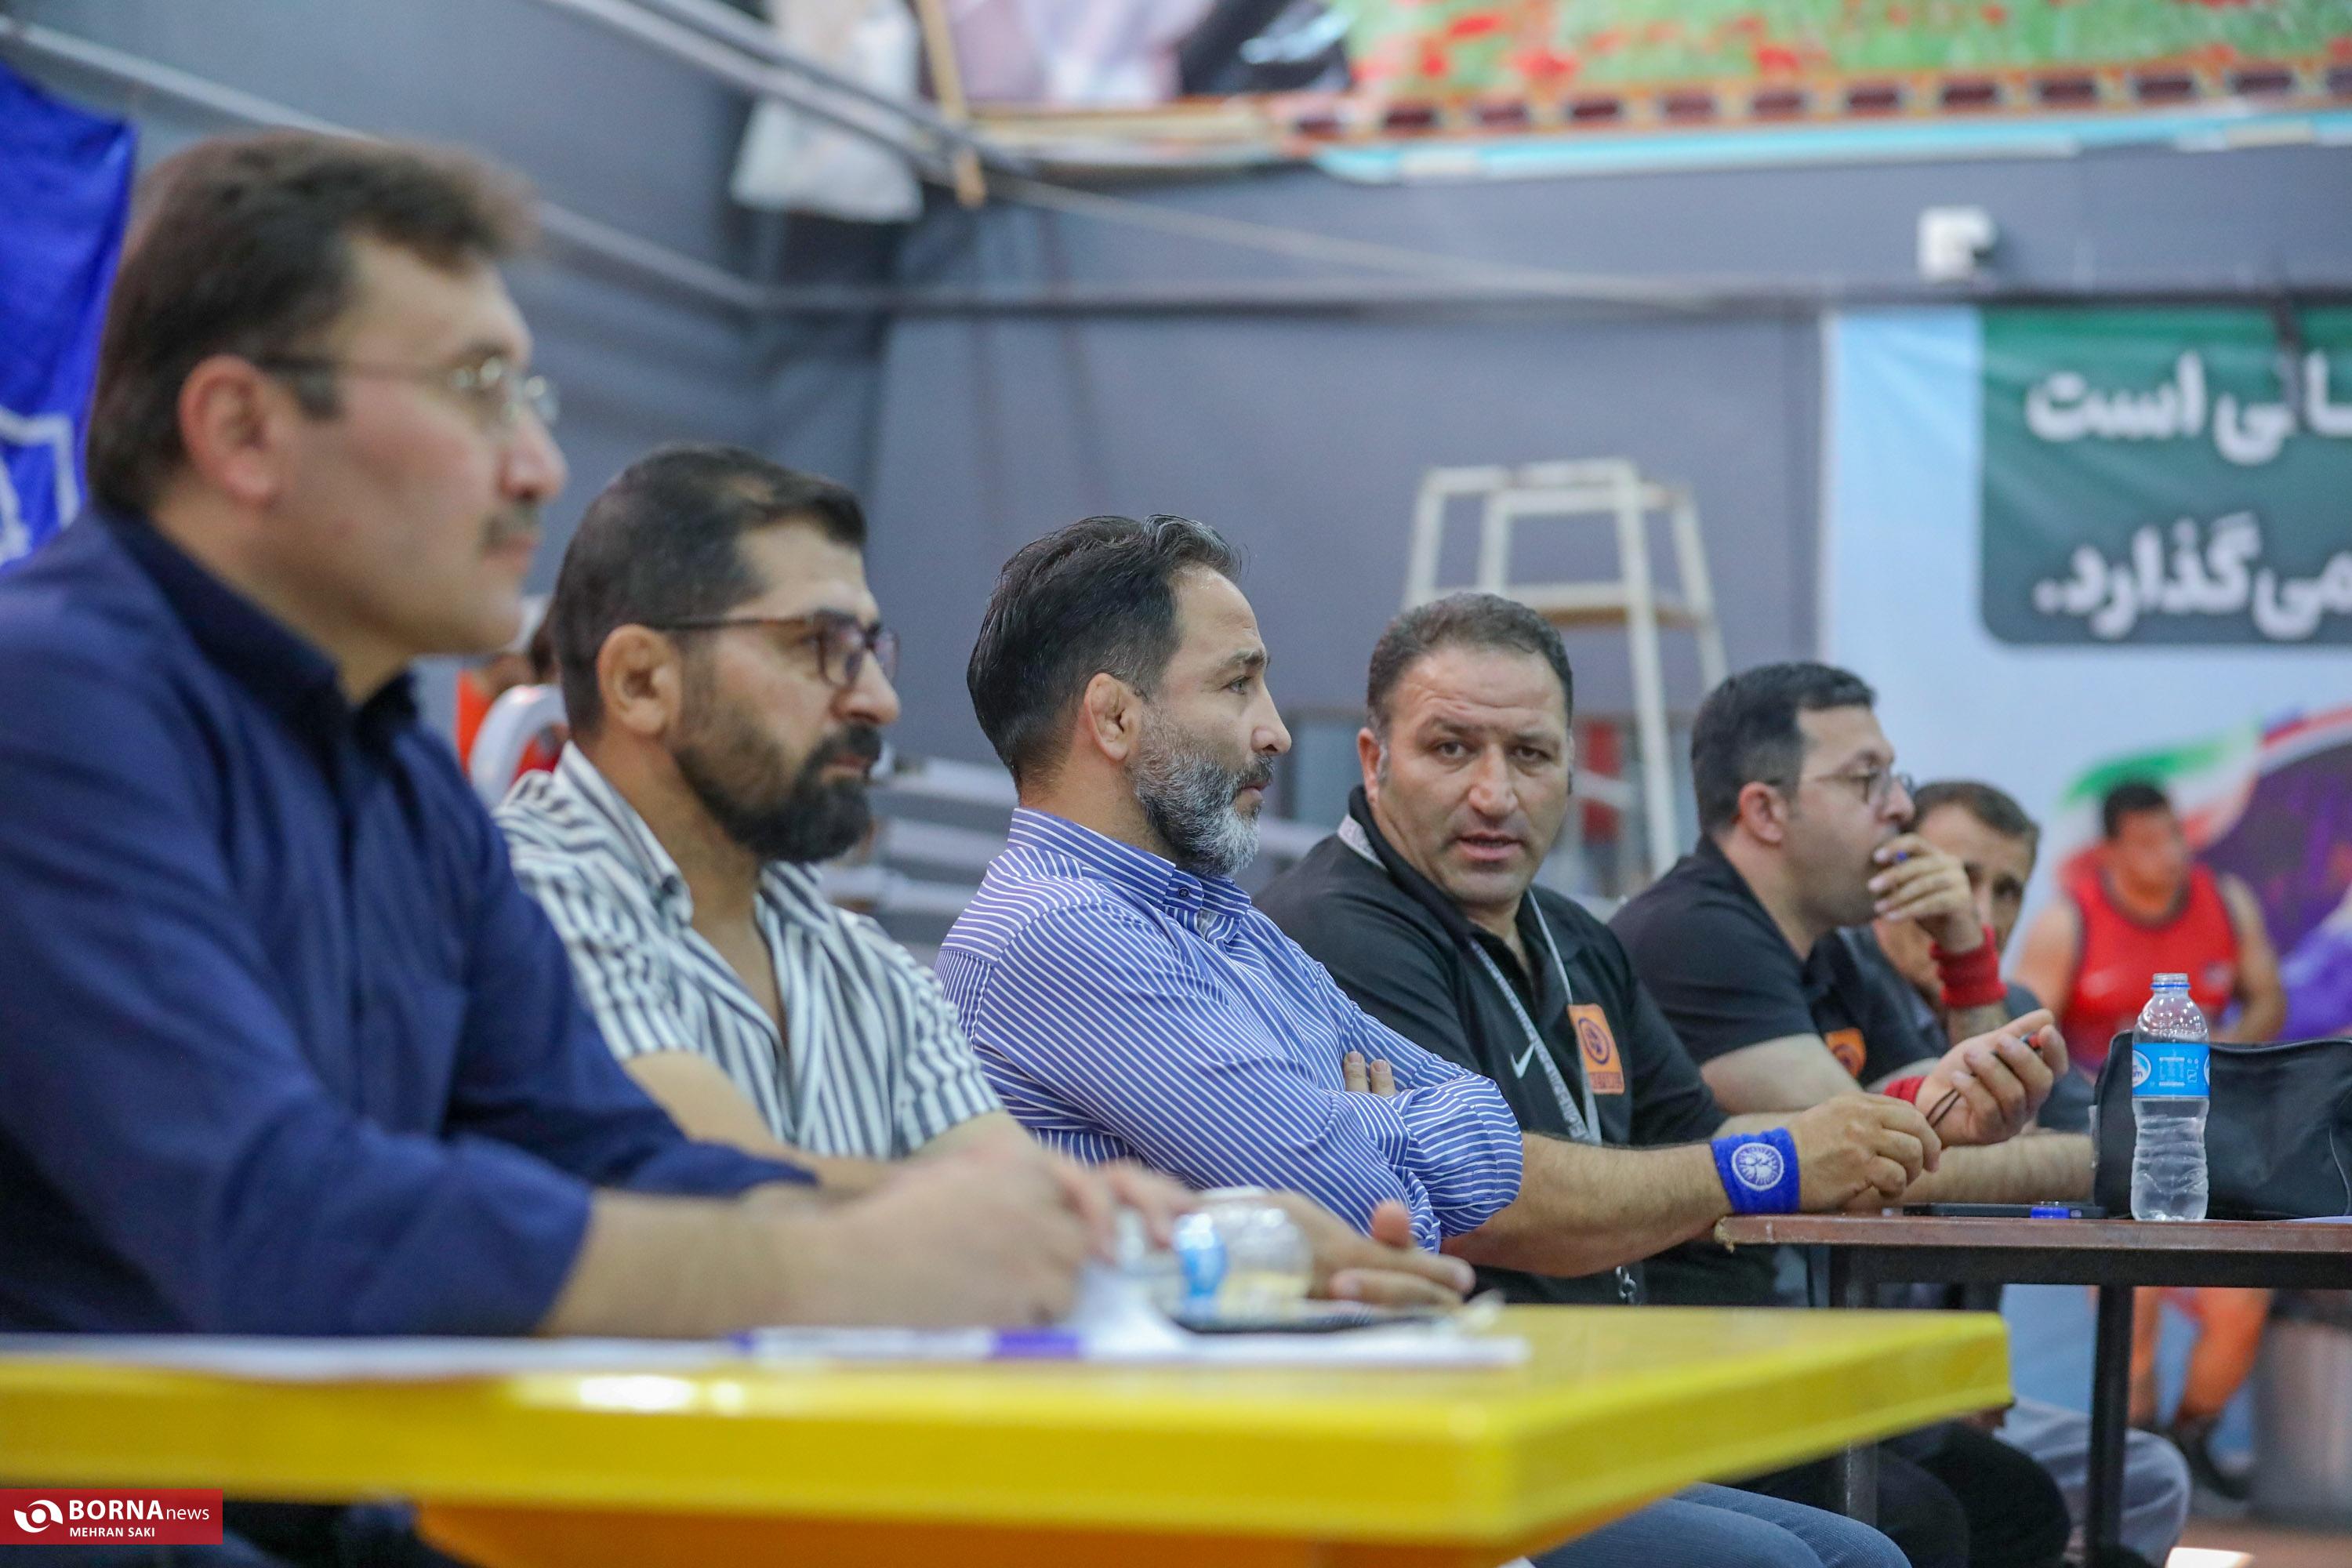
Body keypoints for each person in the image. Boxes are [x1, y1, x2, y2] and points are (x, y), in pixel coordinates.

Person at [938, 516, 1915, 1568]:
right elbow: (1362, 1203)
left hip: (1337, 1425)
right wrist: (1375, 1130)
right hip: (1212, 1470)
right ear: (1115, 718)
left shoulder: (1218, 922)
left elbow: (1471, 1115)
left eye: (1532, 754)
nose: (1274, 731)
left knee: (1854, 1550)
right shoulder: (1063, 931)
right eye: (1238, 684)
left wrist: (1367, 1121)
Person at [499, 445, 1465, 1305]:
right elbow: (724, 1186)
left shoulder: (858, 965)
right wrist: (1242, 1229)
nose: (877, 699)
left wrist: (1226, 1228)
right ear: (642, 681)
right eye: (817, 647)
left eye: (870, 650)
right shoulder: (526, 896)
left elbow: (1023, 1207)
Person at [1255, 595, 2066, 1568]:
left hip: (1613, 1407)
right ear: (1374, 758)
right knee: (1864, 1542)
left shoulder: (1575, 935)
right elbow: (1498, 1198)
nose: (1495, 793)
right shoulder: (1338, 929)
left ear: (1571, 766)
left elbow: (1703, 1134)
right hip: (1458, 1427)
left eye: (1530, 754)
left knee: (1906, 1535)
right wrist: (1781, 1159)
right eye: (1452, 748)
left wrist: (1920, 1115)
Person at [1610, 663, 2093, 1259]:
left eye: (1895, 778)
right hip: (1674, 1311)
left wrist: (1966, 954)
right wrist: (2106, 1159)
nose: (1900, 807)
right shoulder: (1694, 934)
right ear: (1765, 812)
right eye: (1867, 780)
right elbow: (1863, 1165)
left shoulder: (1829, 948)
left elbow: (1977, 1121)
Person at [1846, 782, 2193, 1565]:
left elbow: (2102, 1148)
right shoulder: (1839, 979)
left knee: (2151, 1477)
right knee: (1976, 1511)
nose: (1981, 912)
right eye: (1958, 878)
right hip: (1839, 1379)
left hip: (1958, 1387)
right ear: (1891, 871)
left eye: (2006, 889)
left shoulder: (2017, 1004)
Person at [2013, 779, 2285, 1500]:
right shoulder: (2069, 922)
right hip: (2112, 1147)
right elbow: (2024, 1032)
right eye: (2147, 842)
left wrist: (2223, 1045)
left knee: (2241, 1303)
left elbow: (2268, 996)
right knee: (2132, 1307)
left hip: (2208, 1138)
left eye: (2173, 835)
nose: (2168, 854)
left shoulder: (2226, 901)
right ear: (2110, 851)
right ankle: (2137, 1463)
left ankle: (2189, 1436)